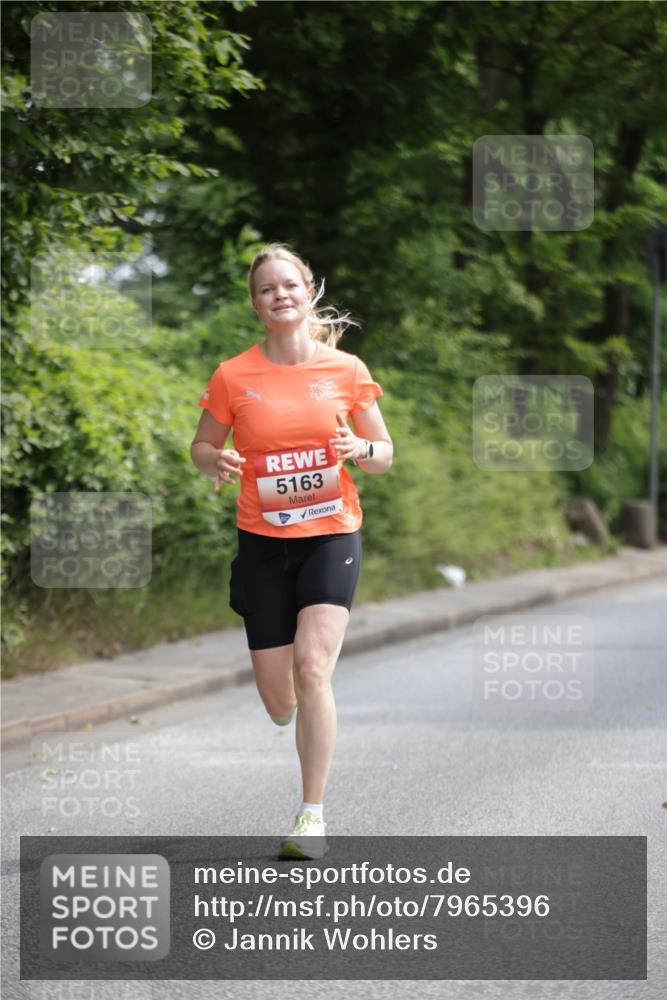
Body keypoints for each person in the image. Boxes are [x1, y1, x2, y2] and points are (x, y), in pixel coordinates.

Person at [190, 243, 393, 858]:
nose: (279, 295)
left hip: (331, 534)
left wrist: (361, 451)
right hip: (262, 542)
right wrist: (214, 459)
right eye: (266, 289)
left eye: (289, 285)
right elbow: (200, 446)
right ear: (255, 304)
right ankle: (289, 712)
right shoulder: (233, 375)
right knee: (281, 696)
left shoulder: (347, 370)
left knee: (314, 671)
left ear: (309, 292)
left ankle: (312, 816)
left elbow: (384, 454)